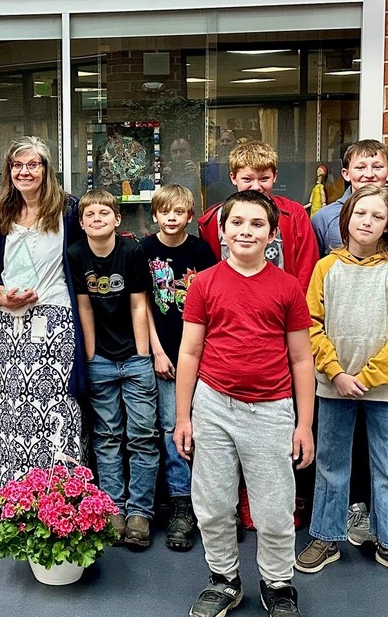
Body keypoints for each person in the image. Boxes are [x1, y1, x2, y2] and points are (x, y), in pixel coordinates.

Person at [175, 190, 315, 617]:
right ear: (222, 230)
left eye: (257, 224)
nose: (246, 231)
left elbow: (301, 358)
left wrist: (304, 424)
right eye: (237, 222)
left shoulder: (287, 287)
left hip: (271, 410)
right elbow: (190, 352)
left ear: (273, 234)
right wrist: (183, 416)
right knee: (213, 505)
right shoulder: (204, 283)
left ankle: (278, 583)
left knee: (274, 509)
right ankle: (224, 579)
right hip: (213, 406)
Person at [295, 186, 388, 583]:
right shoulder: (325, 268)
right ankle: (326, 537)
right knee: (331, 464)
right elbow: (310, 325)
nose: (367, 222)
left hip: (383, 389)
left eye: (377, 216)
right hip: (334, 385)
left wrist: (367, 378)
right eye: (360, 214)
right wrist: (336, 372)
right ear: (346, 218)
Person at [0, 136, 86, 495]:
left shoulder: (68, 209)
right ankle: (15, 499)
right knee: (13, 412)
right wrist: (1, 296)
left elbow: (86, 259)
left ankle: (61, 499)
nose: (25, 172)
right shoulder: (0, 213)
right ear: (9, 170)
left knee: (58, 410)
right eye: (17, 165)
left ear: (46, 169)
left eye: (33, 164)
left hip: (58, 321)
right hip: (11, 325)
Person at [68, 189, 156, 549]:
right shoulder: (76, 254)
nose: (97, 219)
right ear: (81, 222)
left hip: (135, 359)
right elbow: (85, 307)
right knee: (107, 437)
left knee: (143, 436)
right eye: (90, 215)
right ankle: (113, 509)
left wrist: (142, 355)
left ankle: (140, 513)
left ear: (117, 220)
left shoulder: (131, 251)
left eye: (104, 213)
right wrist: (92, 357)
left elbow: (138, 305)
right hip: (101, 360)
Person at [141, 183, 217, 551]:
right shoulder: (144, 250)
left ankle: (212, 505)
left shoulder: (201, 251)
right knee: (171, 427)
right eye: (165, 211)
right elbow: (142, 305)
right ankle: (180, 503)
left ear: (189, 216)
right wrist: (157, 351)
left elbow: (212, 305)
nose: (171, 218)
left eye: (179, 212)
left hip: (199, 355)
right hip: (163, 355)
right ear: (154, 215)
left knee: (205, 431)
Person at [198, 140, 319, 294]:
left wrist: (298, 303)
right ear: (233, 177)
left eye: (264, 179)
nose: (256, 187)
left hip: (280, 300)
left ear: (275, 176)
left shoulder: (294, 215)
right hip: (229, 300)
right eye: (247, 179)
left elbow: (307, 268)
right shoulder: (213, 220)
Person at [311, 139, 388, 278]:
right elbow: (315, 271)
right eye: (360, 168)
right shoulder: (324, 218)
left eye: (377, 167)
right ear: (346, 174)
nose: (369, 174)